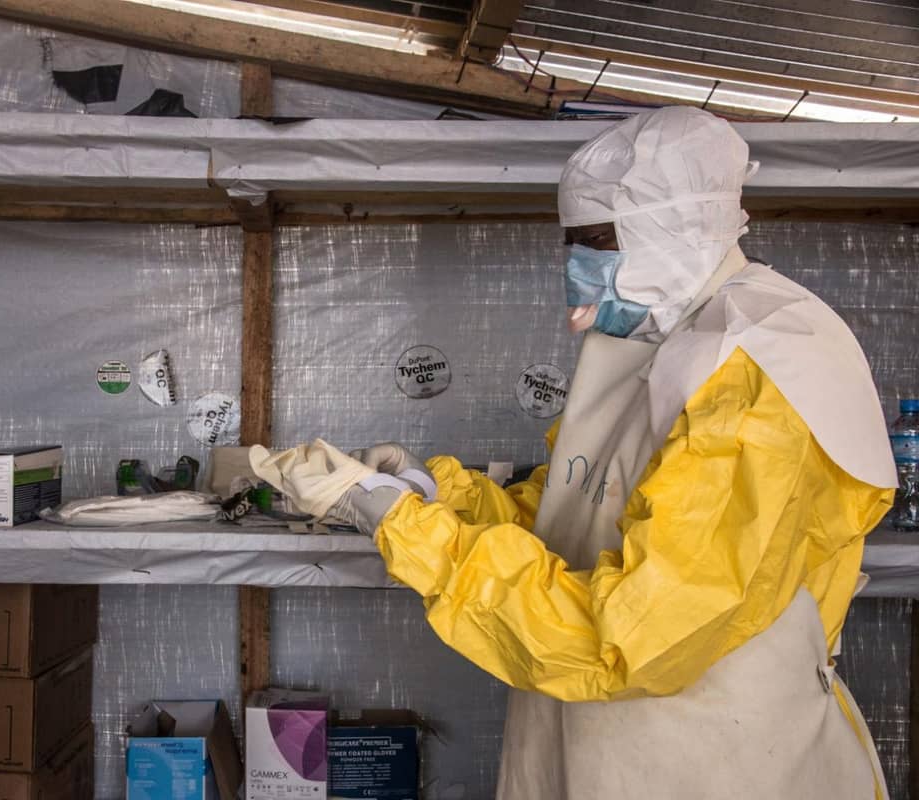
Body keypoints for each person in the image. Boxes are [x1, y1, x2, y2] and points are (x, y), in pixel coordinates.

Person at [251, 106, 898, 799]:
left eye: (597, 242)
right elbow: (575, 513)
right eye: (574, 244)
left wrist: (407, 530)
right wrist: (436, 494)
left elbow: (628, 636)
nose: (579, 270)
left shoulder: (760, 361)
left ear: (672, 226)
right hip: (603, 737)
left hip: (714, 756)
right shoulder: (665, 338)